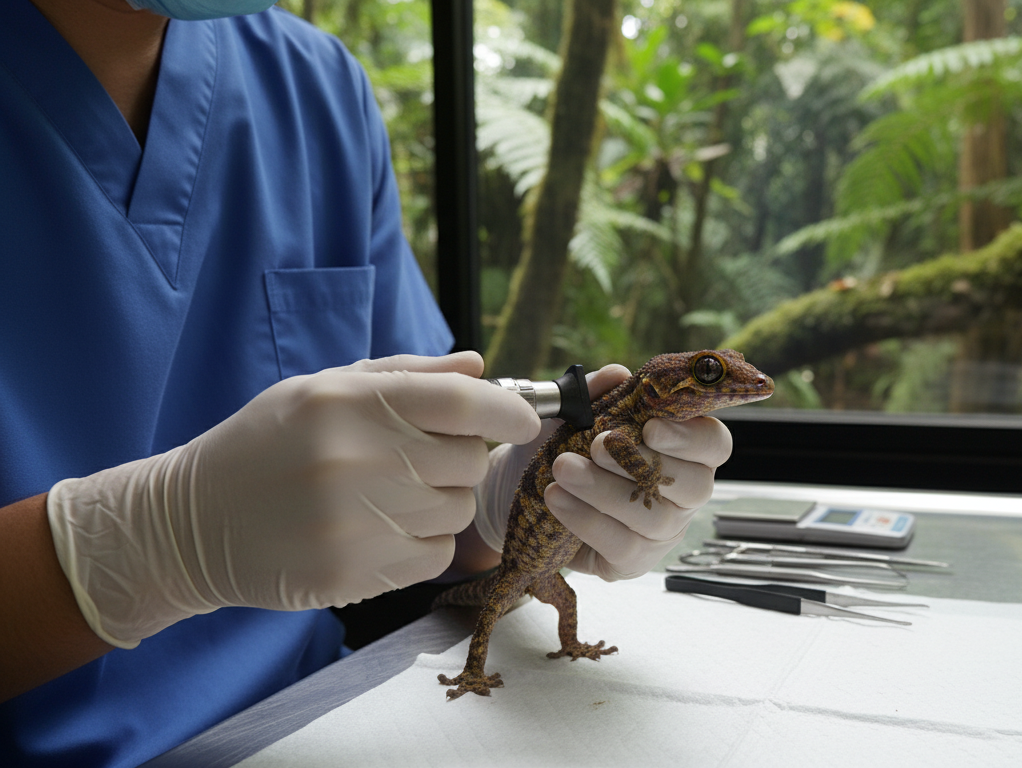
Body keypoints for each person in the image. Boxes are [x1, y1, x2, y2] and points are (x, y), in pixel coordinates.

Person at [0, 0, 733, 764]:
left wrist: (487, 508)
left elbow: (410, 537)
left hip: (325, 719)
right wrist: (144, 546)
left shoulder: (315, 90)